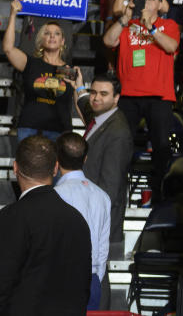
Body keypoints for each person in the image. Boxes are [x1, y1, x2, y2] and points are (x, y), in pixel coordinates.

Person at [102, 0, 178, 200]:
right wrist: (125, 18)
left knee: (162, 148)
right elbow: (108, 41)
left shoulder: (168, 24)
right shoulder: (127, 24)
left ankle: (160, 196)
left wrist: (151, 27)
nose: (148, 0)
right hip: (129, 95)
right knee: (121, 145)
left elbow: (171, 47)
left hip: (159, 96)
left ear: (160, 3)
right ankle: (117, 193)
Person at [0, 135, 91, 314]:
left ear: (15, 168)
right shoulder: (77, 219)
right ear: (56, 168)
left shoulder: (11, 217)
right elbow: (83, 285)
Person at [70, 72, 134, 250]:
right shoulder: (102, 118)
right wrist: (80, 88)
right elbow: (89, 108)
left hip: (98, 226)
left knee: (96, 276)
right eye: (93, 92)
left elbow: (109, 189)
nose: (96, 98)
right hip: (89, 219)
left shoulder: (118, 133)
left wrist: (91, 223)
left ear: (116, 98)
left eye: (103, 94)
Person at [54, 133, 110, 311]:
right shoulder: (102, 196)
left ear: (56, 159)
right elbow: (103, 248)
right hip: (92, 277)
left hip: (62, 278)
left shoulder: (55, 195)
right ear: (85, 159)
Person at [4, 0, 73, 142]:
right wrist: (12, 15)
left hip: (58, 131)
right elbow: (8, 49)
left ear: (63, 41)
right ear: (41, 40)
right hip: (29, 129)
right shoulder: (30, 63)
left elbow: (79, 102)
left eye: (57, 33)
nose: (52, 36)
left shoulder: (69, 71)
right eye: (47, 33)